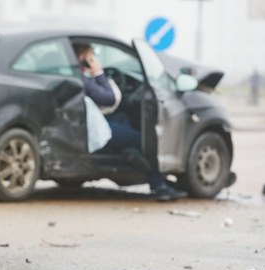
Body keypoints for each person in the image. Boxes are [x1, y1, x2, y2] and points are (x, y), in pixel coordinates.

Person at [73, 42, 187, 201]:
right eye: (91, 57)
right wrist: (98, 72)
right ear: (82, 58)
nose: (93, 60)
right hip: (92, 130)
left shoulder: (77, 76)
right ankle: (158, 184)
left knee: (122, 118)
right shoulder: (81, 79)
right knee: (142, 140)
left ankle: (127, 154)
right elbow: (109, 98)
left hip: (89, 123)